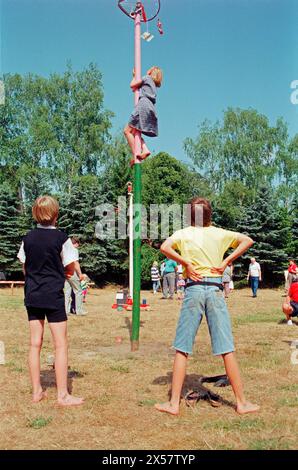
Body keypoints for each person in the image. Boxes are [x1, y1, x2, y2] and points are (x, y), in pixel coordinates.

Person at [155, 197, 259, 416]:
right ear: (210, 215)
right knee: (226, 347)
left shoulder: (183, 233)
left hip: (193, 289)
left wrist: (186, 263)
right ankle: (241, 403)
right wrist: (225, 262)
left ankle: (173, 404)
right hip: (214, 289)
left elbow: (164, 247)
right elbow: (247, 240)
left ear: (190, 215)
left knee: (182, 348)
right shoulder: (220, 233)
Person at [17, 195, 84, 406]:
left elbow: (25, 267)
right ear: (56, 213)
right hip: (53, 294)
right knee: (60, 344)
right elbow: (71, 267)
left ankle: (37, 392)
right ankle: (62, 395)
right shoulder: (62, 239)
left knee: (34, 344)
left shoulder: (27, 238)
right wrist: (61, 273)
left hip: (33, 294)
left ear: (35, 213)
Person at [124, 66, 163, 165]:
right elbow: (135, 89)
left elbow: (132, 85)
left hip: (143, 105)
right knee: (135, 131)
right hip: (151, 109)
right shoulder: (153, 85)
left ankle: (135, 154)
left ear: (151, 72)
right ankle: (145, 149)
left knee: (127, 131)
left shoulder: (147, 78)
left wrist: (134, 76)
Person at [64, 237, 87, 316]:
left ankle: (65, 311)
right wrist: (80, 274)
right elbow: (75, 263)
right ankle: (79, 311)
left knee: (67, 292)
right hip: (73, 272)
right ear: (76, 243)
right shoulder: (74, 250)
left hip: (65, 272)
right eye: (78, 245)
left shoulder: (64, 250)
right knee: (79, 291)